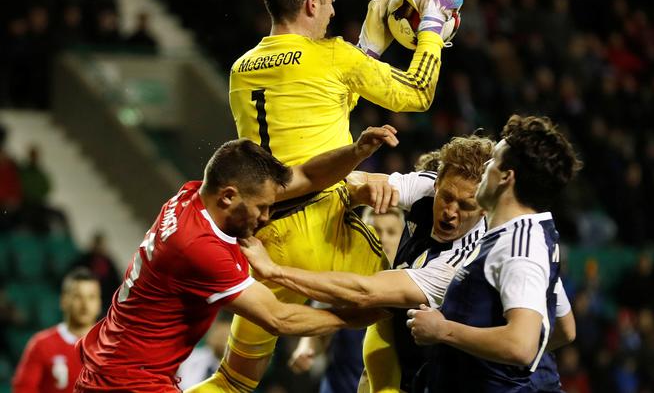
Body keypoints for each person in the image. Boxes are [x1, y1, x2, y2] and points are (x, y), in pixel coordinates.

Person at [195, 0, 464, 393]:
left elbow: (318, 103)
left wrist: (370, 50)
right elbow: (418, 93)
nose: (336, 10)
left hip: (264, 239)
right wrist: (432, 26)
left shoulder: (241, 70)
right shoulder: (334, 57)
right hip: (326, 229)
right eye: (332, 1)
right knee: (392, 305)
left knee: (234, 380)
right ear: (313, 4)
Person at [74, 126, 396, 392]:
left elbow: (308, 177)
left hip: (116, 368)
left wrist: (356, 153)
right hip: (127, 383)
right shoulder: (198, 248)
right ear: (228, 196)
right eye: (262, 208)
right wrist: (352, 317)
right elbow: (279, 318)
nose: (268, 217)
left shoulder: (194, 194)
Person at [242, 135, 494, 392]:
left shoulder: (462, 261)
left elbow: (366, 291)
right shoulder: (426, 187)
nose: (451, 211)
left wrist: (275, 271)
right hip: (391, 343)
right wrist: (356, 189)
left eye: (465, 205)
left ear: (485, 206)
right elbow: (348, 182)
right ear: (438, 182)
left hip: (437, 375)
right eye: (447, 197)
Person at [406, 114, 583, 392]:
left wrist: (444, 331)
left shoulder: (520, 248)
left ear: (505, 177)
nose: (485, 166)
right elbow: (564, 327)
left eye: (494, 160)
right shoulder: (522, 234)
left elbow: (521, 346)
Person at [288, 207, 405, 393]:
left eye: (391, 232)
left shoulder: (412, 286)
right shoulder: (342, 279)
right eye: (374, 231)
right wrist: (306, 348)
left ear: (403, 238)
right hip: (339, 386)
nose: (382, 238)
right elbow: (318, 323)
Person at [12, 267, 102, 393]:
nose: (85, 304)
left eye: (91, 297)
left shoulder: (114, 348)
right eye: (77, 296)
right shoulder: (41, 345)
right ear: (64, 301)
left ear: (99, 303)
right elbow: (23, 388)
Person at [177, 313, 233, 390]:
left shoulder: (234, 371)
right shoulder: (188, 358)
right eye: (217, 331)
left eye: (225, 337)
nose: (220, 340)